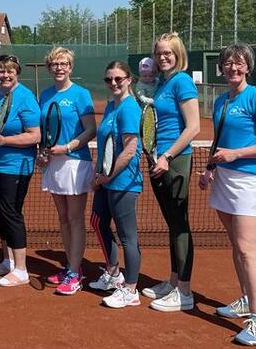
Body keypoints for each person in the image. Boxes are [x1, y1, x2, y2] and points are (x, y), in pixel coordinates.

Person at [199, 43, 256, 345]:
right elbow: (218, 139)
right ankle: (246, 299)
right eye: (227, 63)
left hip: (251, 180)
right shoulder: (221, 101)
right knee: (236, 245)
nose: (233, 68)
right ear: (221, 68)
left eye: (239, 63)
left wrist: (236, 154)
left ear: (248, 66)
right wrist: (210, 167)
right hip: (224, 179)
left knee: (247, 249)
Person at [143, 32, 201, 312]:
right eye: (159, 53)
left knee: (180, 224)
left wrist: (167, 156)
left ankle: (185, 292)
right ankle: (174, 281)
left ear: (178, 54)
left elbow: (193, 127)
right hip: (158, 159)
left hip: (174, 160)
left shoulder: (182, 81)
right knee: (172, 223)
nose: (163, 57)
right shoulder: (162, 84)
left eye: (168, 52)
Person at [38, 47, 97, 295]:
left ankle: (75, 272)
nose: (59, 68)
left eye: (63, 64)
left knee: (75, 219)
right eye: (55, 64)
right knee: (63, 218)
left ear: (70, 67)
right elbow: (45, 130)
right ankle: (71, 266)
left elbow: (91, 129)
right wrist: (42, 152)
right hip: (54, 163)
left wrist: (68, 147)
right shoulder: (45, 95)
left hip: (75, 162)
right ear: (49, 68)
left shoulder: (81, 94)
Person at [0, 54, 41, 287]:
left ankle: (21, 269)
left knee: (11, 213)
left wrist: (5, 141)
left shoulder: (25, 98)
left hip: (16, 166)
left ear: (17, 72)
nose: (5, 75)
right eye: (1, 71)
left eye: (9, 71)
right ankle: (7, 260)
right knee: (0, 213)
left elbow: (35, 135)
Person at [89, 60, 144, 309]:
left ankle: (131, 289)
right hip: (106, 179)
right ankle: (113, 273)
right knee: (97, 221)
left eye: (118, 78)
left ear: (129, 80)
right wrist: (98, 173)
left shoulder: (129, 108)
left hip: (123, 182)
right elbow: (106, 146)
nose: (113, 83)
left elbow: (130, 149)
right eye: (109, 79)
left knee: (127, 236)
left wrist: (107, 176)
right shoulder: (112, 105)